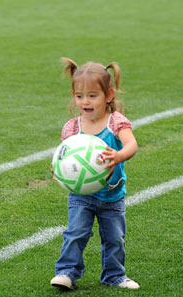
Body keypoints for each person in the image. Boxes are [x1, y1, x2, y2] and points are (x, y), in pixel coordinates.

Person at [50, 58, 139, 290]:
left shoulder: (116, 122)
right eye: (79, 96)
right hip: (81, 195)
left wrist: (119, 156)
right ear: (73, 95)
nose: (85, 102)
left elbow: (131, 146)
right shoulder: (72, 127)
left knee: (114, 239)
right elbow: (64, 156)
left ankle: (115, 276)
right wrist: (58, 169)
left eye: (92, 95)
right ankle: (67, 273)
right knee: (75, 233)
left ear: (108, 95)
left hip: (112, 195)